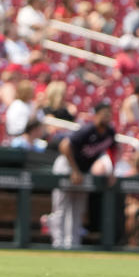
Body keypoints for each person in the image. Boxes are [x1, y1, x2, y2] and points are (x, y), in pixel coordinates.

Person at [49, 99, 117, 249]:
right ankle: (58, 242)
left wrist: (112, 171)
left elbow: (114, 150)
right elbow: (64, 145)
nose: (106, 117)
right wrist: (74, 170)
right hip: (67, 165)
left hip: (82, 170)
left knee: (78, 208)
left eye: (109, 114)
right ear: (96, 115)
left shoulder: (110, 132)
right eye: (103, 114)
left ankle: (72, 243)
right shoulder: (87, 130)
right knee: (61, 206)